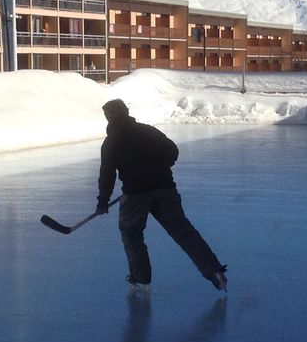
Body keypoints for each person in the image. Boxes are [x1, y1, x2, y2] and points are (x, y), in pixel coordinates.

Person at [94, 99, 227, 292]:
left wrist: (103, 202)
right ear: (126, 112)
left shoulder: (111, 141)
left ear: (110, 117)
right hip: (165, 188)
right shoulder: (148, 130)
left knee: (131, 232)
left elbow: (107, 174)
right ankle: (214, 271)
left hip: (136, 195)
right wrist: (162, 165)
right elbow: (173, 151)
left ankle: (141, 279)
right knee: (183, 231)